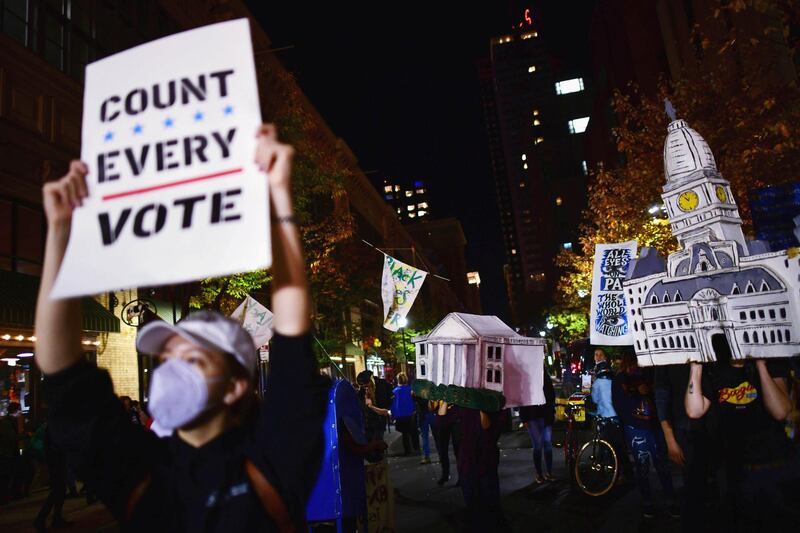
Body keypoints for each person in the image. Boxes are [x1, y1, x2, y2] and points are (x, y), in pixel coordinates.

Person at [34, 125, 329, 531]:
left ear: (234, 386)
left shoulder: (272, 457)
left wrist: (278, 192)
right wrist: (60, 233)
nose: (172, 368)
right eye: (167, 357)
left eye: (192, 359)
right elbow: (63, 374)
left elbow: (292, 324)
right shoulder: (139, 469)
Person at [685, 338, 800, 530]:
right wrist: (696, 368)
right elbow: (695, 411)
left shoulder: (772, 362)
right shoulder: (715, 369)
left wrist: (761, 365)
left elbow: (780, 411)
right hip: (734, 468)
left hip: (772, 463)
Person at [612, 352, 676, 519]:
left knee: (662, 464)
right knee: (642, 466)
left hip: (655, 425)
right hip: (636, 428)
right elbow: (619, 405)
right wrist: (636, 393)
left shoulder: (652, 373)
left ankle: (670, 500)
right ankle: (647, 502)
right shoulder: (620, 378)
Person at [655, 363, 717, 532]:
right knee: (694, 496)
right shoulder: (668, 358)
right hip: (687, 434)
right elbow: (661, 395)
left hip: (717, 433)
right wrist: (669, 438)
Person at [455, 407, 509, 533]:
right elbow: (442, 419)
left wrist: (480, 407)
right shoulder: (464, 402)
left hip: (486, 457)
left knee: (490, 500)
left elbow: (490, 430)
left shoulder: (495, 404)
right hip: (467, 459)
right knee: (471, 499)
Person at [591, 349, 630, 481]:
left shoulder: (597, 383)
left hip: (604, 418)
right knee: (619, 446)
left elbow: (595, 400)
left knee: (605, 445)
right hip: (616, 416)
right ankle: (625, 472)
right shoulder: (614, 380)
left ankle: (609, 471)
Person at [519, 366, 555, 484]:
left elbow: (551, 396)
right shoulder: (526, 376)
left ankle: (548, 472)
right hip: (532, 416)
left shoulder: (545, 376)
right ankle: (539, 474)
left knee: (547, 444)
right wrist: (524, 418)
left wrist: (551, 412)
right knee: (538, 445)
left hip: (545, 415)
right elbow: (522, 398)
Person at [33, 424, 72, 531]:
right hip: (56, 462)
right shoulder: (54, 429)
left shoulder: (52, 428)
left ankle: (54, 518)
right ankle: (42, 519)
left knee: (59, 490)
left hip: (55, 461)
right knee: (58, 490)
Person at [431, 399, 460, 485]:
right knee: (442, 449)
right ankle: (445, 474)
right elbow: (431, 408)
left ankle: (461, 476)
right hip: (441, 420)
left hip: (456, 419)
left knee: (458, 449)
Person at [391, 373, 419, 456]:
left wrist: (393, 415)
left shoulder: (395, 391)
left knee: (404, 434)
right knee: (413, 431)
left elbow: (393, 404)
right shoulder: (410, 389)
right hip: (410, 413)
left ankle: (407, 450)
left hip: (400, 415)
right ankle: (416, 447)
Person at [415, 394, 434, 464]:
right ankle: (441, 455)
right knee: (437, 436)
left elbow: (415, 400)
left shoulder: (417, 388)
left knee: (425, 437)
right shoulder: (431, 385)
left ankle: (427, 456)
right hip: (431, 413)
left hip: (422, 414)